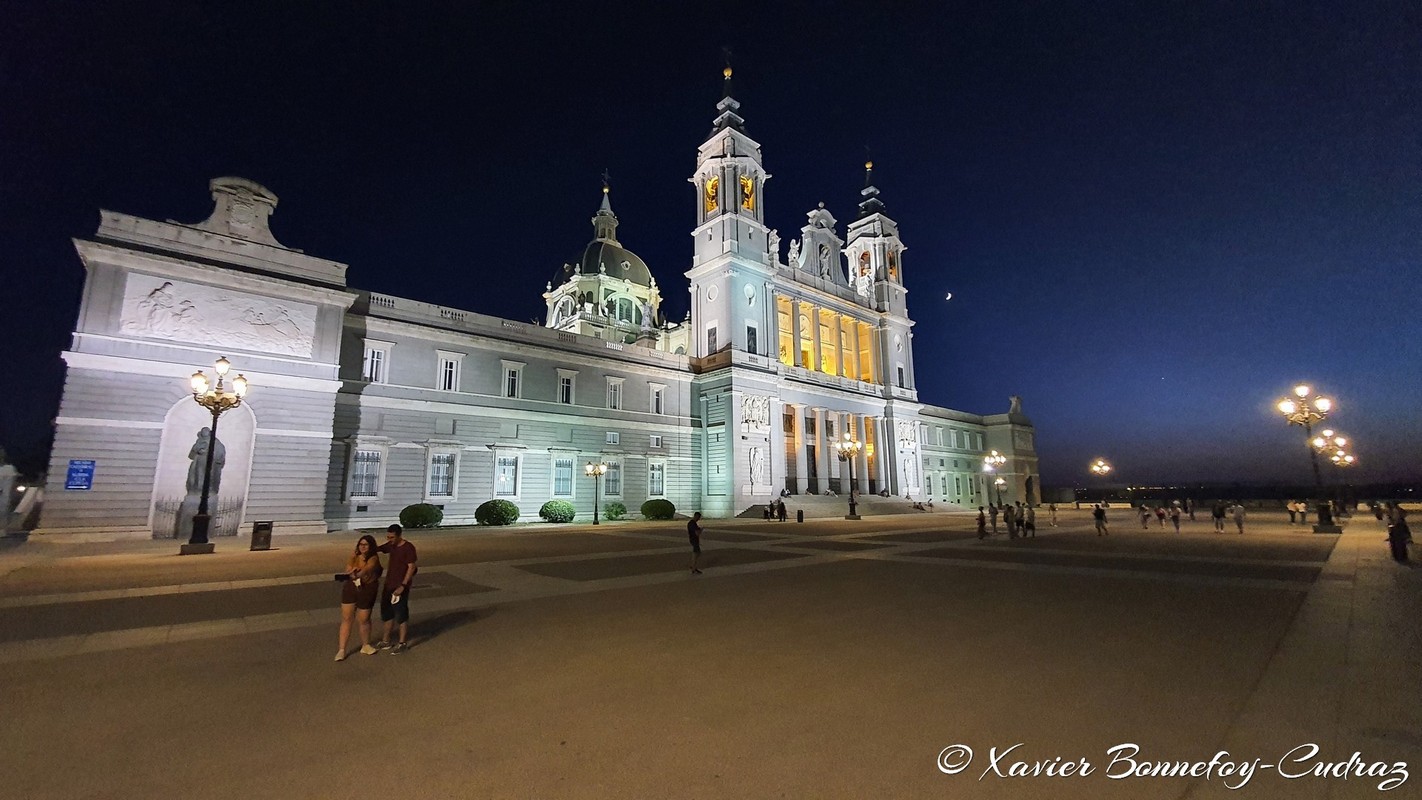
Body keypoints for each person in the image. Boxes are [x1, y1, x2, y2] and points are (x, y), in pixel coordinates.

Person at [335, 534, 383, 661]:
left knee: (364, 618)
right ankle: (342, 649)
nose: (363, 547)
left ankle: (366, 645)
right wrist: (351, 572)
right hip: (351, 588)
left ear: (371, 546)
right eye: (361, 544)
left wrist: (357, 572)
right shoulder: (354, 556)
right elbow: (348, 569)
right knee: (346, 617)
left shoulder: (373, 558)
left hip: (367, 588)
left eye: (366, 544)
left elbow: (367, 570)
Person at [375, 523, 418, 655]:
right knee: (387, 613)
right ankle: (386, 640)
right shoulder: (391, 546)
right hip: (389, 584)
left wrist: (403, 585)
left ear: (399, 535)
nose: (389, 540)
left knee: (401, 615)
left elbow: (411, 567)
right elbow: (379, 548)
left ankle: (402, 642)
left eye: (392, 537)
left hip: (400, 586)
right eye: (388, 537)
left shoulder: (408, 548)